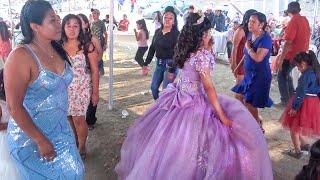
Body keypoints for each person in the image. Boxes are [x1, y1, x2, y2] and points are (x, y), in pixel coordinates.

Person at [115, 13, 273, 180]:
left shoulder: (186, 50)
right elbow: (209, 88)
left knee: (166, 142)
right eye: (209, 33)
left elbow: (183, 77)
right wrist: (222, 116)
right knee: (202, 143)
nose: (211, 36)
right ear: (202, 35)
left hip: (177, 96)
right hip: (192, 102)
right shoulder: (201, 56)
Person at [4, 0, 84, 179]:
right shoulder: (20, 56)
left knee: (76, 172)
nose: (59, 24)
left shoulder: (56, 48)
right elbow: (14, 107)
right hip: (31, 139)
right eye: (52, 20)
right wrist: (40, 140)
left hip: (61, 131)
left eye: (57, 18)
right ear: (35, 26)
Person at [61, 14, 99, 159]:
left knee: (79, 119)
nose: (72, 29)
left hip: (81, 88)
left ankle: (82, 147)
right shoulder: (58, 46)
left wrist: (95, 93)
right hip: (64, 88)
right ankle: (75, 142)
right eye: (68, 25)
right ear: (63, 27)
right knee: (69, 118)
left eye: (75, 25)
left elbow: (95, 71)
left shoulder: (87, 46)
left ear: (81, 28)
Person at [232, 12, 273, 133]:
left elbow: (258, 58)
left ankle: (257, 129)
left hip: (260, 76)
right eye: (249, 21)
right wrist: (237, 66)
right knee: (239, 96)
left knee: (250, 103)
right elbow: (246, 55)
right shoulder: (251, 34)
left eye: (253, 22)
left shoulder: (266, 39)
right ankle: (253, 122)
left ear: (261, 24)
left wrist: (249, 48)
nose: (250, 23)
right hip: (248, 75)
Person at [281, 51, 320, 159]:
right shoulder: (316, 71)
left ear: (303, 63)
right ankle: (304, 145)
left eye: (298, 66)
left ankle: (297, 151)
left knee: (294, 127)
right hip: (313, 102)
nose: (298, 69)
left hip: (304, 101)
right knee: (298, 125)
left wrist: (294, 107)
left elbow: (301, 92)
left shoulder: (306, 75)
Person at [274, 1, 311, 107]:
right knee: (287, 75)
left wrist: (281, 59)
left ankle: (285, 100)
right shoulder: (305, 20)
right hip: (302, 53)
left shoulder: (294, 21)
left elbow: (288, 41)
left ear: (290, 11)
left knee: (281, 75)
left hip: (292, 55)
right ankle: (290, 98)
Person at [144, 6, 180, 100]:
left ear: (174, 21)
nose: (167, 20)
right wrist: (146, 63)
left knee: (166, 91)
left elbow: (178, 54)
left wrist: (172, 70)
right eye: (165, 18)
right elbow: (152, 48)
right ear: (162, 18)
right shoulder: (157, 32)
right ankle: (160, 105)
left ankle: (165, 111)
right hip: (159, 64)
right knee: (154, 88)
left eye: (170, 18)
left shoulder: (176, 34)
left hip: (170, 65)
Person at [78, 13, 102, 129]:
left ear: (86, 24)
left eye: (80, 22)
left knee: (93, 94)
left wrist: (92, 63)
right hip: (80, 76)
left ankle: (91, 120)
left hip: (92, 70)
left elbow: (100, 52)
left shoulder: (93, 38)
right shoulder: (74, 39)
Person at [231, 9, 257, 102]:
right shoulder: (240, 30)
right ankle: (237, 110)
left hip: (248, 60)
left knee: (246, 87)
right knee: (240, 89)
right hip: (240, 61)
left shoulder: (252, 30)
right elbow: (234, 48)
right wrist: (233, 63)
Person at [0, 69, 20, 179]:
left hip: (15, 136)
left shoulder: (16, 99)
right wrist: (15, 124)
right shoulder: (1, 104)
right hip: (5, 140)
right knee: (10, 166)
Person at [91, 8, 107, 75]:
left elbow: (105, 33)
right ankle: (97, 69)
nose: (93, 15)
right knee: (94, 56)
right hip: (93, 43)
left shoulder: (101, 23)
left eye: (95, 13)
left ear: (98, 14)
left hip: (100, 42)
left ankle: (101, 69)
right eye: (93, 13)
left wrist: (105, 43)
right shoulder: (91, 23)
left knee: (99, 55)